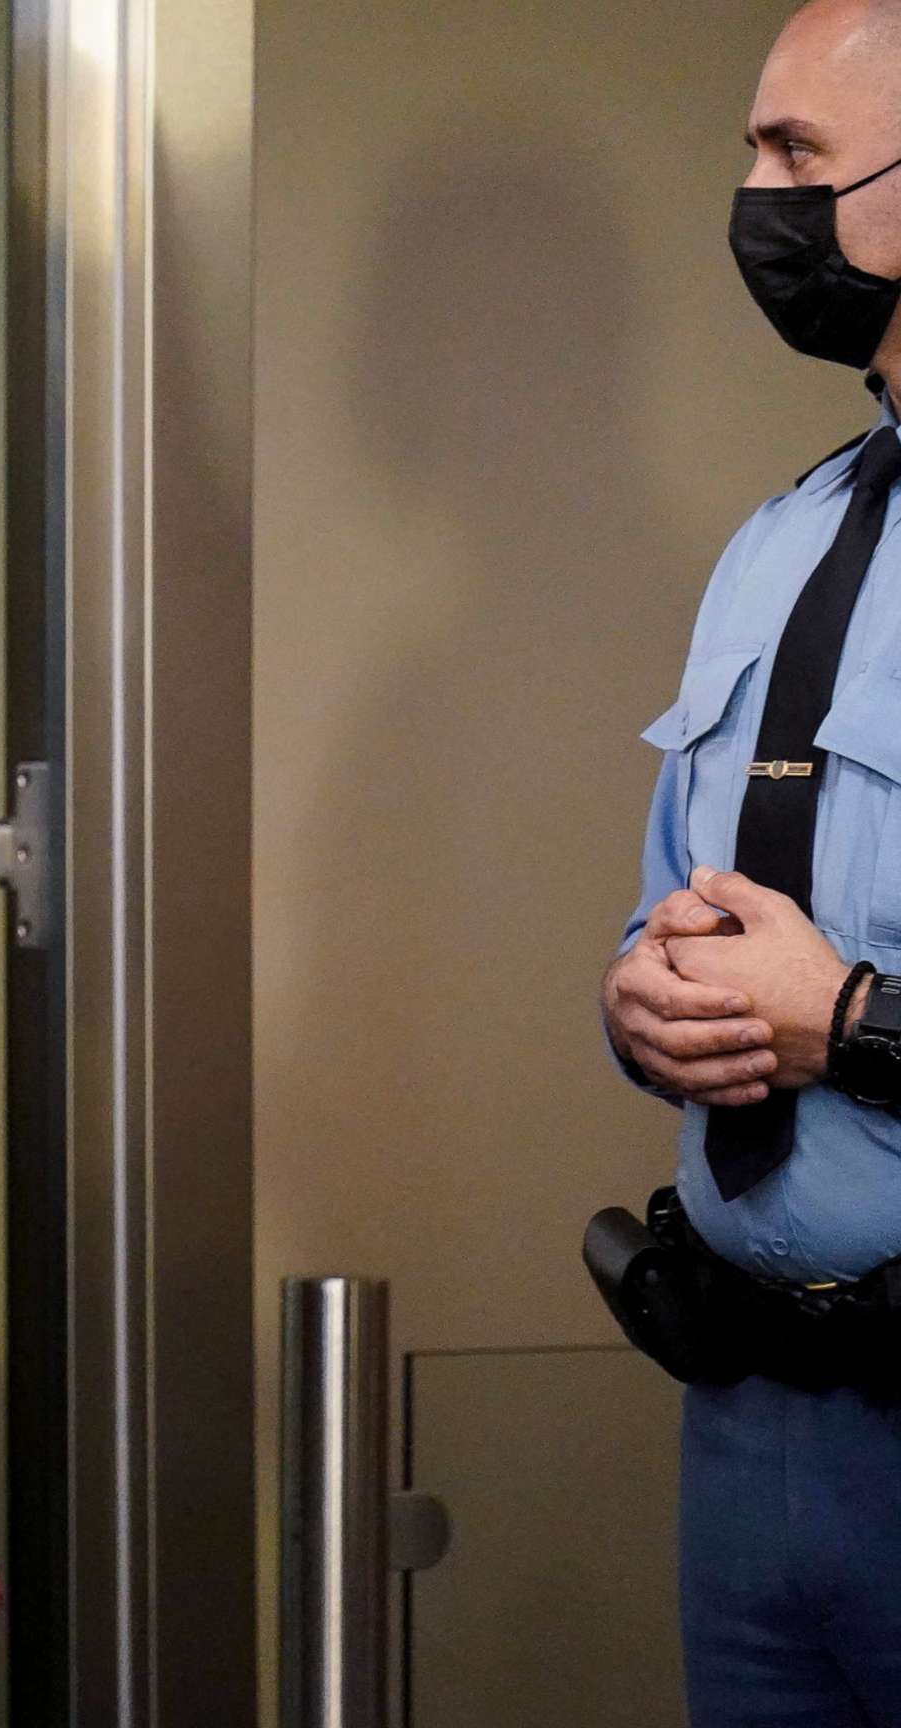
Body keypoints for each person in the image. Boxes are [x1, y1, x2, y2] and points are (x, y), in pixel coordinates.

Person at [600, 1, 901, 1718]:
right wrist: (647, 1002)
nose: (755, 200)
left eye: (796, 157)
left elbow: (828, 1003)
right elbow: (673, 916)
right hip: (756, 1433)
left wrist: (850, 1021)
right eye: (752, 154)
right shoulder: (781, 544)